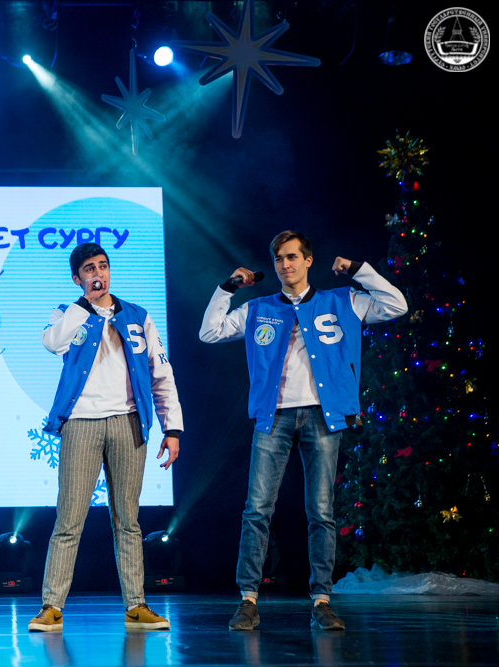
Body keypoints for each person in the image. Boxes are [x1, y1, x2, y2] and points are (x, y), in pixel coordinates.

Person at [199, 230, 407, 631]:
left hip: (322, 416)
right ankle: (248, 599)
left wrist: (359, 270)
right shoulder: (258, 308)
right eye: (279, 258)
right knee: (257, 509)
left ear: (308, 260)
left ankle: (322, 601)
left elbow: (396, 305)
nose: (285, 265)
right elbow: (209, 332)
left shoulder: (342, 301)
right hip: (273, 416)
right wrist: (227, 288)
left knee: (321, 511)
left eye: (292, 256)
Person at [28, 242, 184, 633]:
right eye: (89, 269)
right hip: (81, 422)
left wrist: (172, 427)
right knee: (69, 518)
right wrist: (86, 304)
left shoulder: (137, 316)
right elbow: (52, 343)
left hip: (128, 422)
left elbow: (161, 372)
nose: (98, 274)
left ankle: (136, 604)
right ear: (77, 278)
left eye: (103, 266)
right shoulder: (68, 313)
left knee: (127, 520)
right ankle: (51, 606)